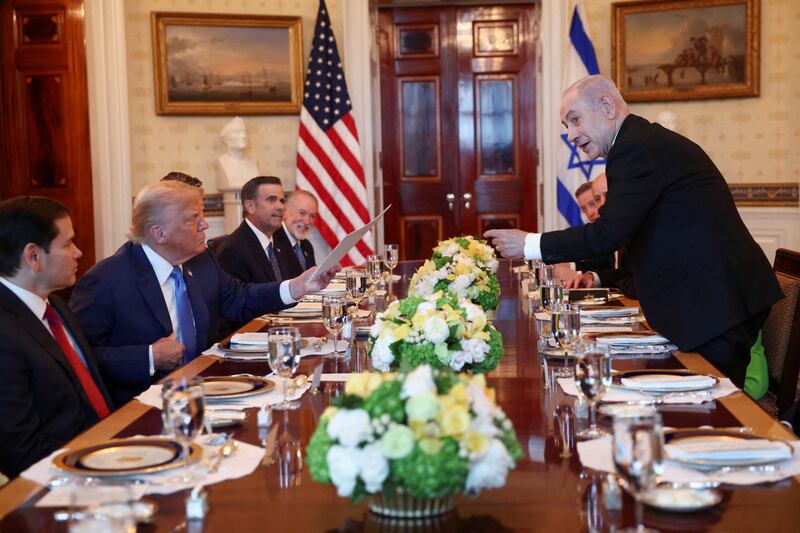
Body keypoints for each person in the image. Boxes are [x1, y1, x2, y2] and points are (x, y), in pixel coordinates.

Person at [485, 75, 783, 387]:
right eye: (566, 126)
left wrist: (530, 244)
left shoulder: (635, 148)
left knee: (711, 409)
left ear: (606, 106)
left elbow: (608, 234)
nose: (571, 135)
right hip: (710, 301)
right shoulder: (637, 143)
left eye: (575, 120)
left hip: (716, 305)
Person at [71, 181, 337, 406]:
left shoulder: (201, 261)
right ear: (159, 233)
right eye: (193, 218)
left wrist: (297, 286)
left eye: (202, 215)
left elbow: (240, 298)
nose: (205, 225)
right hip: (146, 407)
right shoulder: (106, 280)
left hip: (210, 393)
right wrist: (148, 356)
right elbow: (81, 358)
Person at [0, 197, 113, 477]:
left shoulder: (57, 305)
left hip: (107, 452)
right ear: (33, 256)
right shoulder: (4, 333)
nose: (78, 252)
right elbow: (20, 449)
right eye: (67, 244)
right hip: (65, 481)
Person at [215, 176, 296, 284]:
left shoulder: (281, 241)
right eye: (271, 200)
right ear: (250, 206)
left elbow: (293, 284)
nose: (281, 207)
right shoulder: (232, 249)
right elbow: (239, 298)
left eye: (282, 200)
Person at [275, 189, 319, 279]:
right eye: (302, 213)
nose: (307, 221)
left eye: (312, 216)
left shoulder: (306, 245)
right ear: (285, 212)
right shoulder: (273, 242)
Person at [216, 117, 260, 190]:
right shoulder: (222, 161)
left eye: (245, 132)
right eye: (237, 132)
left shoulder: (253, 161)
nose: (244, 136)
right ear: (226, 140)